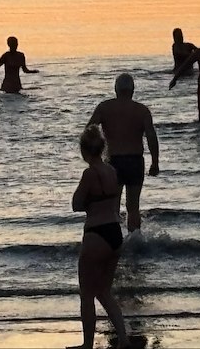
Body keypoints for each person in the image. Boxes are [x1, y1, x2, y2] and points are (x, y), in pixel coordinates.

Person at [70, 125, 129, 349]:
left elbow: (76, 204)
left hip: (96, 233)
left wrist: (86, 201)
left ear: (83, 151)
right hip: (115, 232)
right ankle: (123, 340)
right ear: (102, 148)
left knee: (86, 293)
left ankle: (87, 344)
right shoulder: (111, 171)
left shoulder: (89, 173)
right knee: (104, 291)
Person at [86, 73, 159, 232]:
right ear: (133, 90)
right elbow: (151, 136)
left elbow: (90, 130)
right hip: (135, 161)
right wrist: (155, 162)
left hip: (113, 161)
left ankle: (114, 241)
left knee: (113, 205)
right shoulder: (141, 110)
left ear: (115, 89)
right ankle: (135, 240)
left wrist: (93, 157)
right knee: (133, 206)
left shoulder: (104, 107)